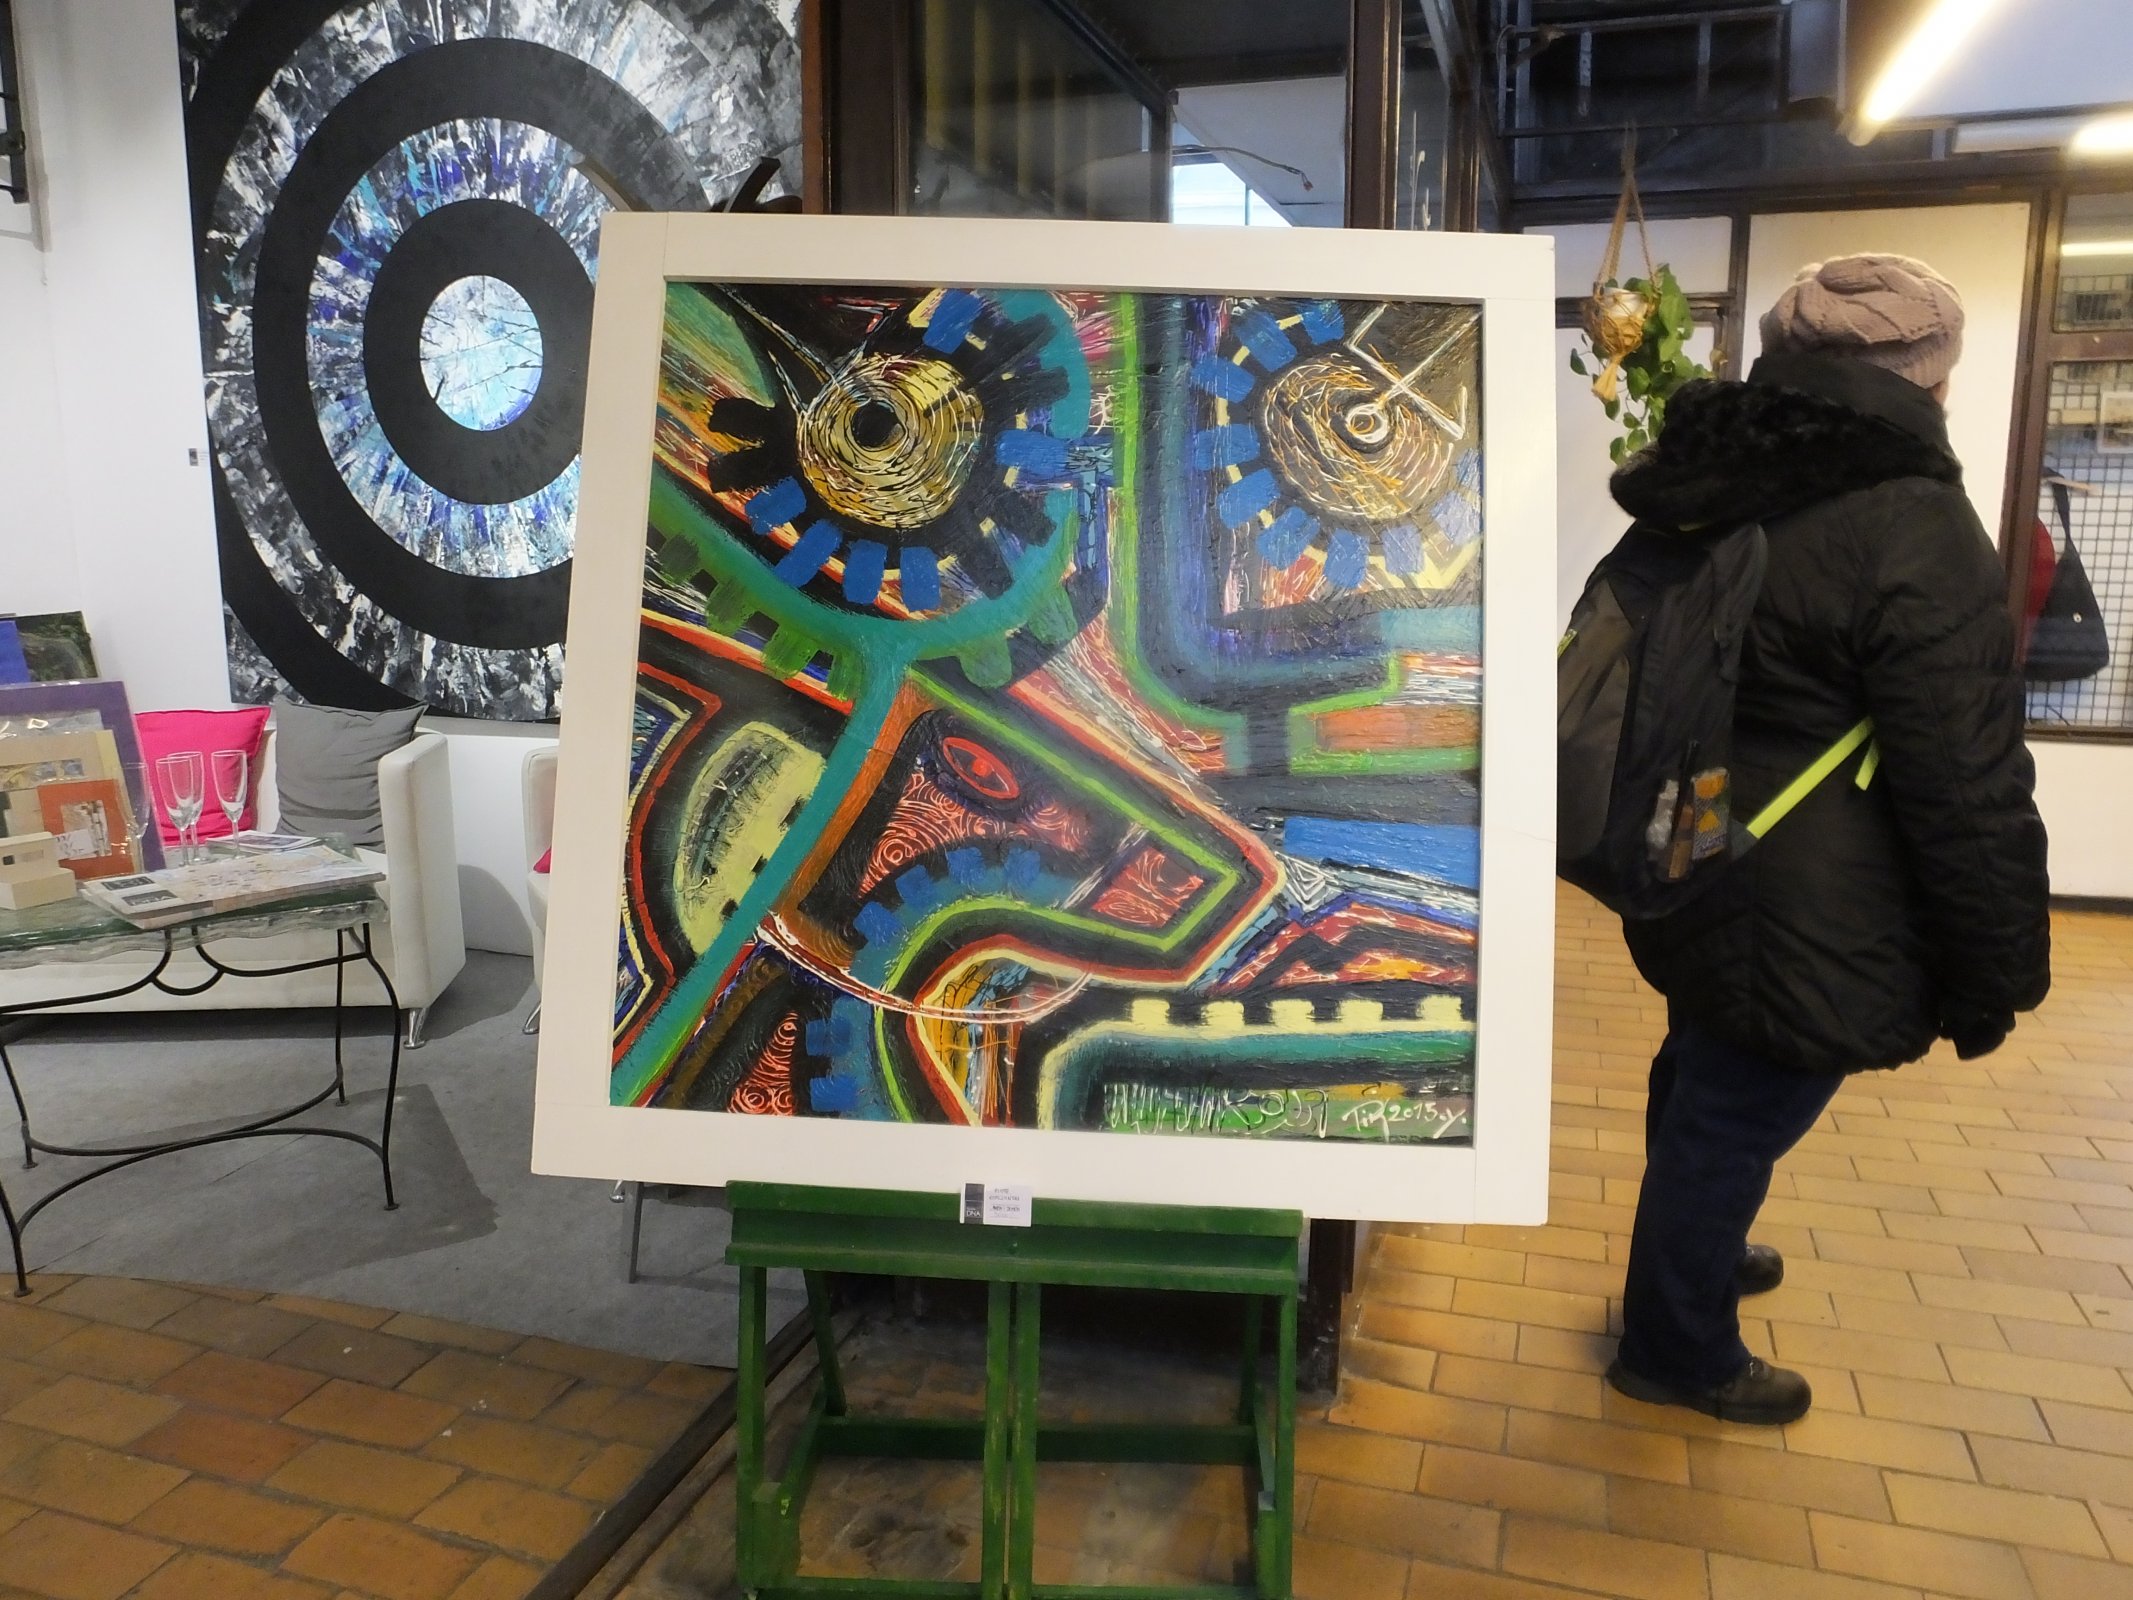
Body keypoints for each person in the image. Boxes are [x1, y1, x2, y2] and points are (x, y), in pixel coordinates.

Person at [1600, 253, 2052, 1425]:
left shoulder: (1719, 473)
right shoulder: (1913, 522)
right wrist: (2000, 967)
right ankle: (1676, 1343)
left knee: (1705, 1061)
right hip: (1811, 882)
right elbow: (1967, 780)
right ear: (1928, 380)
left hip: (1695, 830)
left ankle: (1693, 1248)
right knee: (1742, 1103)